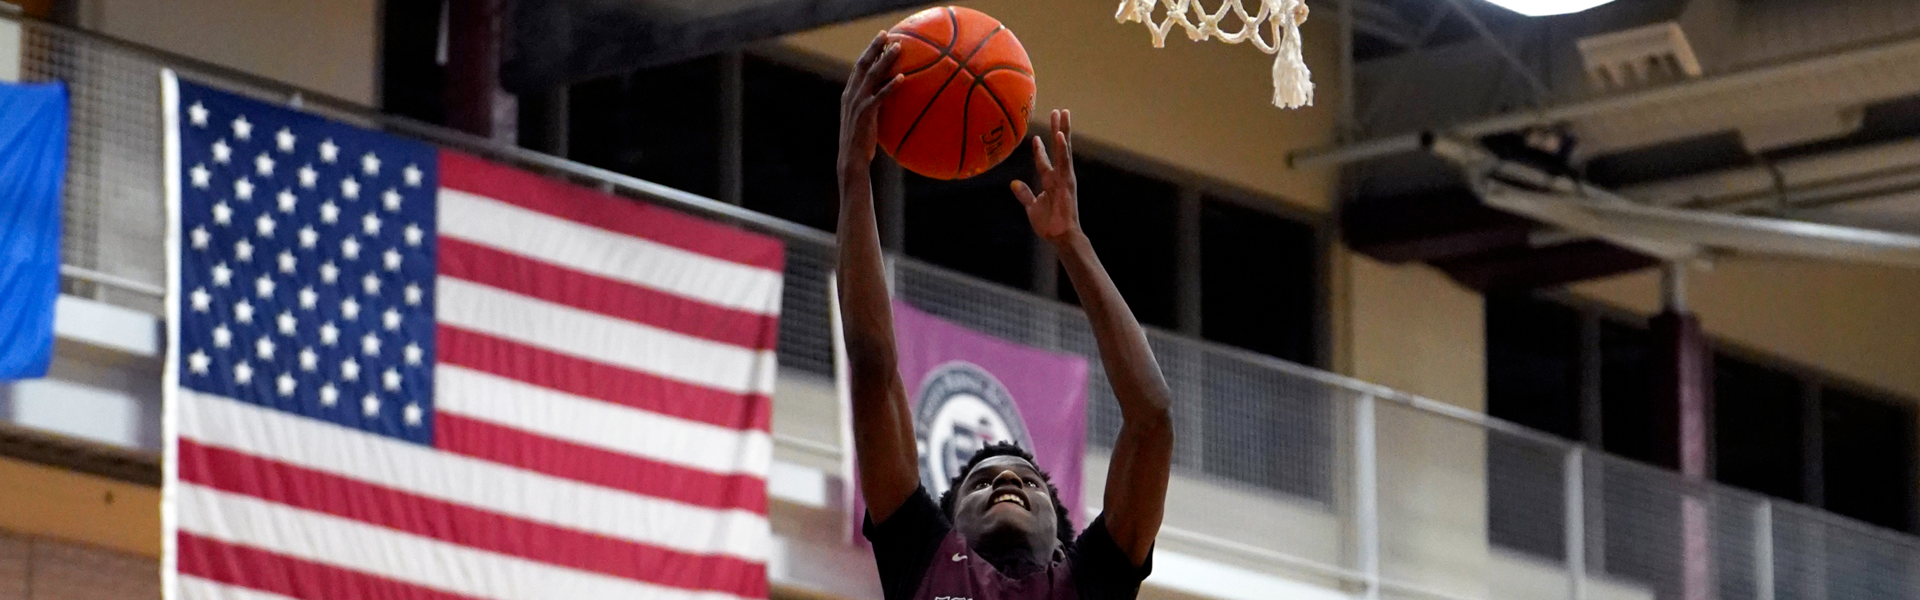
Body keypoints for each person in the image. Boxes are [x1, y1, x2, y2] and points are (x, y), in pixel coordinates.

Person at [836, 32, 1175, 600]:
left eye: (1029, 483)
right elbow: (873, 368)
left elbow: (1152, 419)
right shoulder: (923, 554)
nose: (1008, 481)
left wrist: (1072, 243)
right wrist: (853, 174)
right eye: (982, 482)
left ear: (1064, 542)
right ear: (949, 525)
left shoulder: (1087, 581)